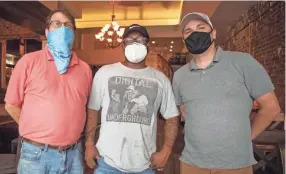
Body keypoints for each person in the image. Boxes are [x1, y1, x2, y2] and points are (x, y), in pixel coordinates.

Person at [173, 12, 281, 174]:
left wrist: (247, 137)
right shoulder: (179, 75)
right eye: (188, 31)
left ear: (213, 33)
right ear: (184, 40)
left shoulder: (243, 62)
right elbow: (184, 112)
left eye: (200, 27)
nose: (194, 33)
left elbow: (271, 108)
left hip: (235, 164)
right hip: (192, 163)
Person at [4, 9, 92, 174]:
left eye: (68, 25)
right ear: (47, 31)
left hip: (73, 154)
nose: (62, 29)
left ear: (73, 33)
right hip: (36, 154)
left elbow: (83, 107)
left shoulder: (85, 69)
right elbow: (11, 105)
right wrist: (37, 128)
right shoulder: (28, 62)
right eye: (57, 24)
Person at [85, 24, 179, 174]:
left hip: (145, 165)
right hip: (107, 162)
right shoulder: (104, 73)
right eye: (130, 40)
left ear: (147, 45)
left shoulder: (160, 79)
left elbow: (172, 116)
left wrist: (166, 149)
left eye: (140, 40)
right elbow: (92, 110)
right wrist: (89, 144)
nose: (135, 43)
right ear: (123, 45)